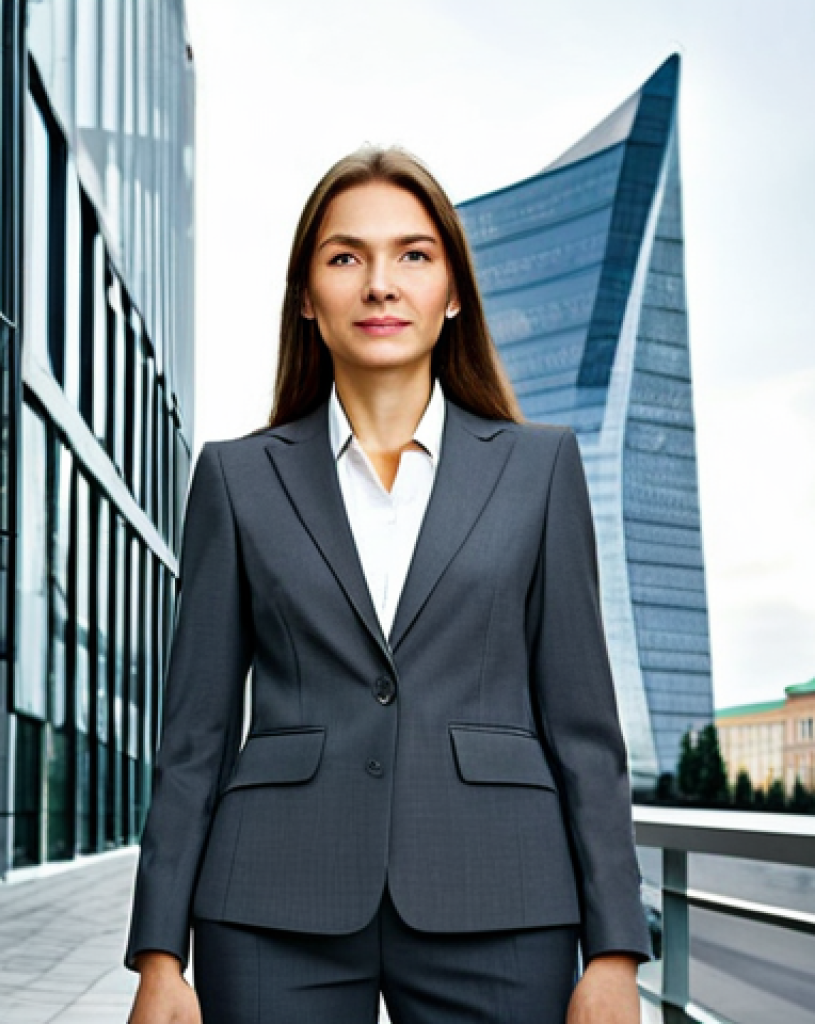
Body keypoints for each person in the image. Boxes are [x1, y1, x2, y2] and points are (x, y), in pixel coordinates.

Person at [125, 145, 653, 1024]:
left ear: (452, 293)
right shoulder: (234, 479)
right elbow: (195, 736)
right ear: (307, 297)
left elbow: (585, 732)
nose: (380, 284)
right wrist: (158, 955)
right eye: (345, 257)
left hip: (502, 897)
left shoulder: (541, 470)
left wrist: (614, 949)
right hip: (269, 904)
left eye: (413, 255)